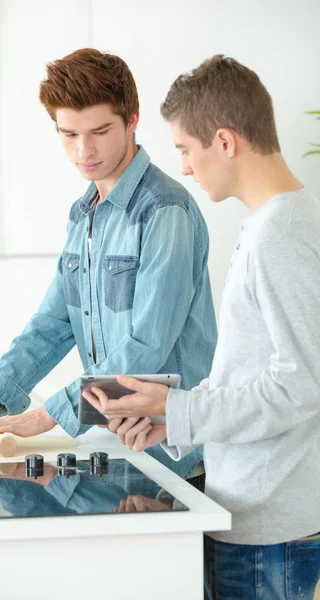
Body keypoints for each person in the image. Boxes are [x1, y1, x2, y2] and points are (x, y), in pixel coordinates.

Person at [0, 48, 217, 485]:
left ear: (132, 119)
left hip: (170, 455)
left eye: (99, 131)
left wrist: (47, 415)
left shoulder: (164, 210)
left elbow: (146, 347)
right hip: (116, 447)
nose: (84, 151)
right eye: (68, 134)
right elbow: (53, 323)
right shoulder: (84, 215)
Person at [83, 55, 320, 599]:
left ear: (225, 141)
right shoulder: (272, 225)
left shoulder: (279, 237)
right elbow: (250, 372)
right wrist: (182, 424)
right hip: (253, 516)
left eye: (186, 149)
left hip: (267, 529)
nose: (184, 167)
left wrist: (177, 408)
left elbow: (298, 387)